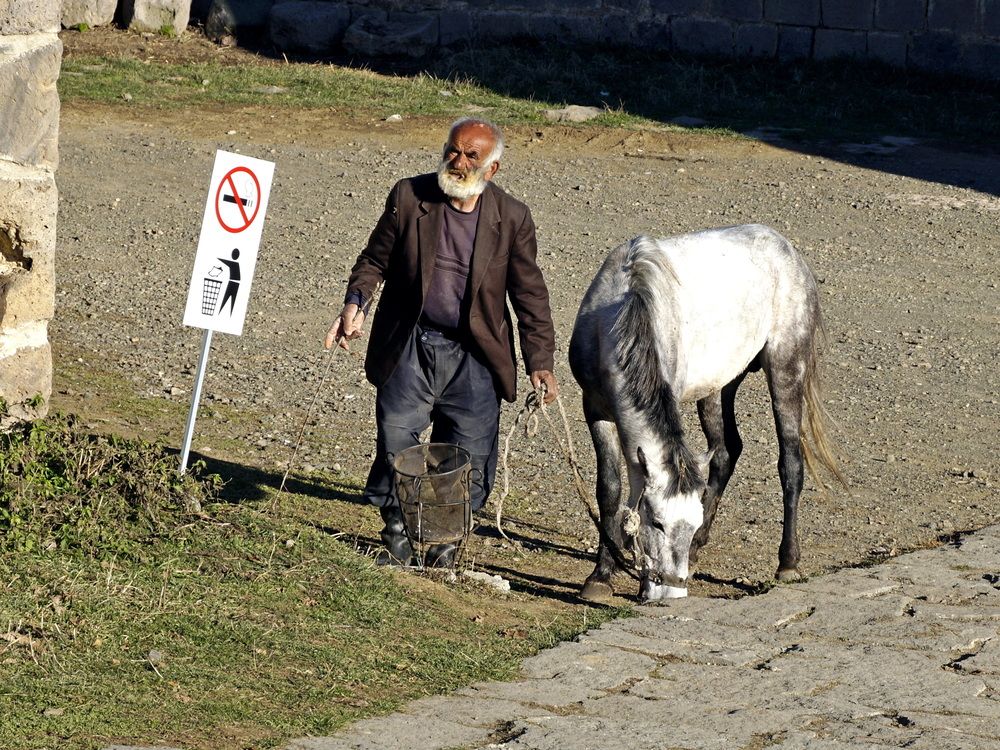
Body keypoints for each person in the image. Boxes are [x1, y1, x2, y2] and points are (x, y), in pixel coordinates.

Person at [325, 117, 559, 567]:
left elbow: (529, 292)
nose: (458, 161)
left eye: (472, 156)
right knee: (398, 439)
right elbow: (375, 260)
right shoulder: (410, 197)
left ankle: (446, 545)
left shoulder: (511, 217)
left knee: (467, 453)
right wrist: (356, 303)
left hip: (475, 354)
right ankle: (398, 536)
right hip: (411, 342)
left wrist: (539, 361)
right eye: (454, 150)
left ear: (491, 170)